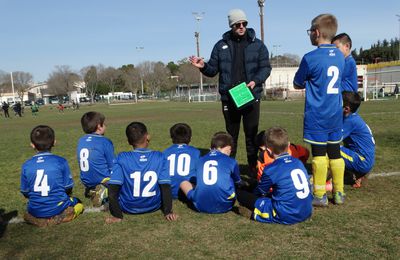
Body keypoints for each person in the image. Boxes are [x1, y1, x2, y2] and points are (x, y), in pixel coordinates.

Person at [189, 9, 271, 176]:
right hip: (229, 97)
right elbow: (212, 69)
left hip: (251, 96)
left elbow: (265, 68)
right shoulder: (220, 45)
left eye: (244, 23)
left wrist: (255, 81)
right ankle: (229, 168)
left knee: (251, 135)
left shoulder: (258, 44)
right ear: (231, 25)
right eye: (237, 24)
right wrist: (203, 66)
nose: (241, 27)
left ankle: (252, 168)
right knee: (230, 136)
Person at [293, 14, 345, 206]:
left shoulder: (310, 58)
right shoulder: (340, 56)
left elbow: (297, 83)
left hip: (318, 114)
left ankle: (319, 194)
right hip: (335, 114)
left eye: (310, 31)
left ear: (316, 33)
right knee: (335, 153)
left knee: (319, 155)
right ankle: (339, 193)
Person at [236, 127, 313, 224]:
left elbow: (260, 192)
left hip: (286, 214)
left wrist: (250, 195)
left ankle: (253, 212)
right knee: (254, 185)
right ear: (288, 145)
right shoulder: (298, 162)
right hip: (307, 210)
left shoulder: (271, 169)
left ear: (267, 151)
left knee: (241, 194)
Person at [105, 122, 177, 223]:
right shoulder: (160, 157)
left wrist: (117, 215)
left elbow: (113, 190)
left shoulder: (122, 158)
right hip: (154, 206)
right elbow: (165, 186)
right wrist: (168, 211)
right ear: (148, 137)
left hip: (128, 207)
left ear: (128, 141)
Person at [20, 125, 84, 227]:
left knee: (29, 211)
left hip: (35, 209)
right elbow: (68, 187)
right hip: (57, 206)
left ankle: (37, 219)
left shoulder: (26, 165)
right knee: (79, 204)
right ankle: (61, 216)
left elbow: (25, 192)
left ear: (32, 145)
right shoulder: (61, 161)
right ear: (54, 142)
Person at [180, 132, 242, 214]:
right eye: (230, 150)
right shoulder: (232, 161)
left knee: (184, 183)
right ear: (227, 147)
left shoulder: (200, 160)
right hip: (225, 205)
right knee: (229, 178)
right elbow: (238, 181)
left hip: (200, 205)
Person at [77, 111, 115, 207]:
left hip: (86, 181)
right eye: (104, 123)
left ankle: (91, 190)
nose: (106, 125)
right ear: (99, 126)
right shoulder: (104, 141)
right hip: (102, 179)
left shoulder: (81, 140)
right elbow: (112, 165)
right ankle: (103, 192)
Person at [341, 91, 375, 188]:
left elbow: (333, 139)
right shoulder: (352, 117)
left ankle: (327, 181)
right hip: (365, 159)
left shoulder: (350, 121)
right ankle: (355, 174)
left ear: (346, 109)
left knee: (330, 148)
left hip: (362, 161)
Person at [163, 123, 201, 199]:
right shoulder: (196, 152)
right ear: (190, 137)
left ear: (172, 138)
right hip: (189, 191)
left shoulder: (165, 152)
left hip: (169, 191)